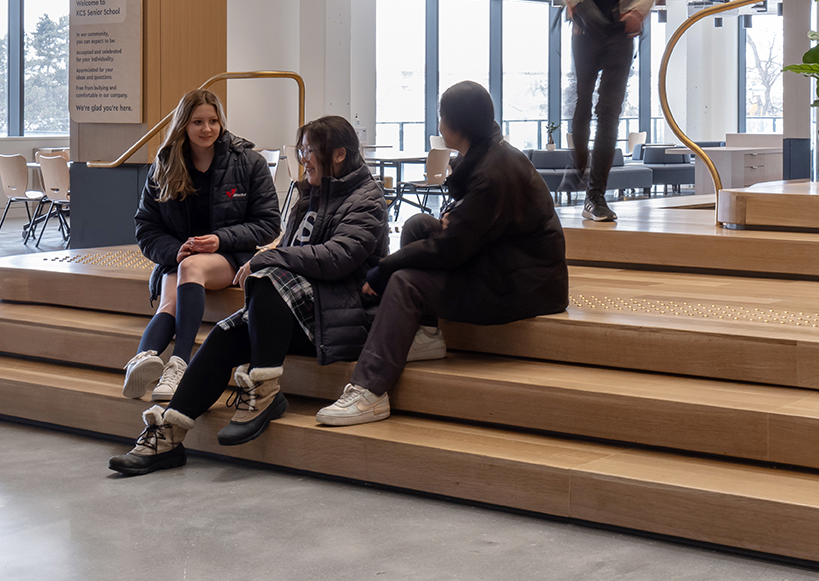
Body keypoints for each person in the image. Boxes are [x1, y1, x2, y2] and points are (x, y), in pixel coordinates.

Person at [110, 114, 390, 475]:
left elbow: (338, 258)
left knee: (268, 276)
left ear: (337, 155)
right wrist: (271, 259)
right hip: (301, 309)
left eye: (308, 152)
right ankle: (168, 434)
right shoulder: (312, 195)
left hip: (342, 316)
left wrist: (268, 256)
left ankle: (265, 389)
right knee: (225, 334)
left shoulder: (366, 199)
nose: (302, 159)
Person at [310, 81, 568, 428]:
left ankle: (369, 390)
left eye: (441, 119)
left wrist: (384, 268)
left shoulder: (495, 171)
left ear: (454, 127)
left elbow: (450, 249)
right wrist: (458, 220)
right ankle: (428, 336)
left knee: (405, 281)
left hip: (521, 285)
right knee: (418, 224)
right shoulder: (491, 153)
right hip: (505, 263)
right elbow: (470, 228)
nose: (438, 126)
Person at [120, 89, 281, 404]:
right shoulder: (165, 164)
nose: (207, 129)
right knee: (169, 302)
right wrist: (174, 250)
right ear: (184, 125)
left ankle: (179, 364)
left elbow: (268, 224)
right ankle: (143, 359)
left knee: (191, 267)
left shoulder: (249, 162)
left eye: (213, 121)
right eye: (197, 122)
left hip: (229, 256)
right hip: (180, 259)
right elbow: (147, 226)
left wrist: (221, 239)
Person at [550, 0, 660, 223]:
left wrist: (638, 13)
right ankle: (578, 163)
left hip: (619, 31)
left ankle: (595, 195)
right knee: (583, 99)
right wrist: (578, 8)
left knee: (609, 112)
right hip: (585, 26)